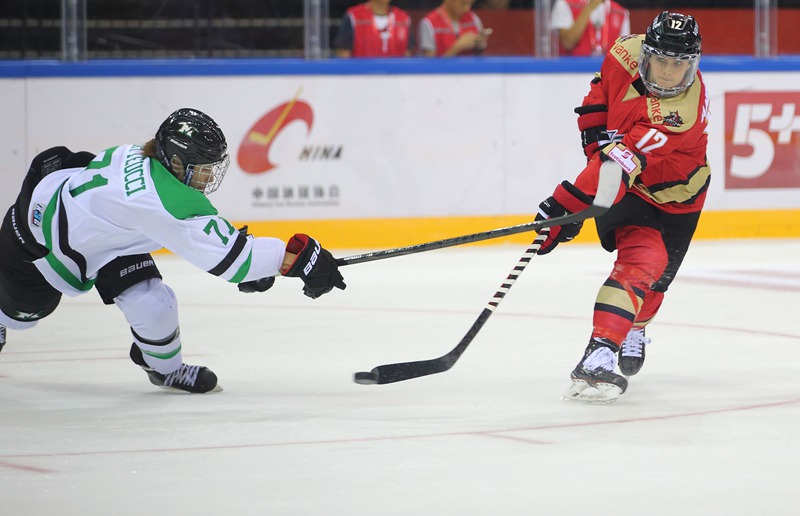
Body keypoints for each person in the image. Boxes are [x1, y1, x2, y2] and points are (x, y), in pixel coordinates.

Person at [0, 108, 346, 393]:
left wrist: (263, 264)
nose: (210, 177)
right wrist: (305, 260)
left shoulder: (144, 156)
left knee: (153, 303)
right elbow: (236, 261)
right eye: (205, 168)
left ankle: (165, 369)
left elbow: (209, 240)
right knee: (21, 319)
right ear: (178, 163)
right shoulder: (163, 202)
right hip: (37, 245)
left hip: (99, 234)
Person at [533, 11, 708, 403]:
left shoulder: (681, 114)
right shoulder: (623, 52)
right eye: (661, 60)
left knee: (656, 283)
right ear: (646, 53)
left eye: (679, 64)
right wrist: (595, 147)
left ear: (693, 65)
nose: (667, 73)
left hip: (678, 197)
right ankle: (599, 354)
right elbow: (600, 94)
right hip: (628, 191)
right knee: (642, 262)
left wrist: (563, 207)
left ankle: (637, 326)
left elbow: (617, 165)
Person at [333, 0, 413, 58]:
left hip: (396, 78)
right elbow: (343, 55)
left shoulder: (403, 19)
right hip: (361, 77)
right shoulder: (354, 17)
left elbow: (408, 55)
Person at [551, 0, 630, 57]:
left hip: (606, 72)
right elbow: (567, 43)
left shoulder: (620, 12)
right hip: (571, 72)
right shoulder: (565, 4)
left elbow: (625, 53)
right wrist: (588, 9)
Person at [418, 0, 491, 57]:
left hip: (470, 74)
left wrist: (479, 45)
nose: (467, 9)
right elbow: (430, 68)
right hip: (445, 75)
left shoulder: (474, 19)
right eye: (463, 4)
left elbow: (480, 58)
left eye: (470, 4)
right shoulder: (429, 23)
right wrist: (457, 47)